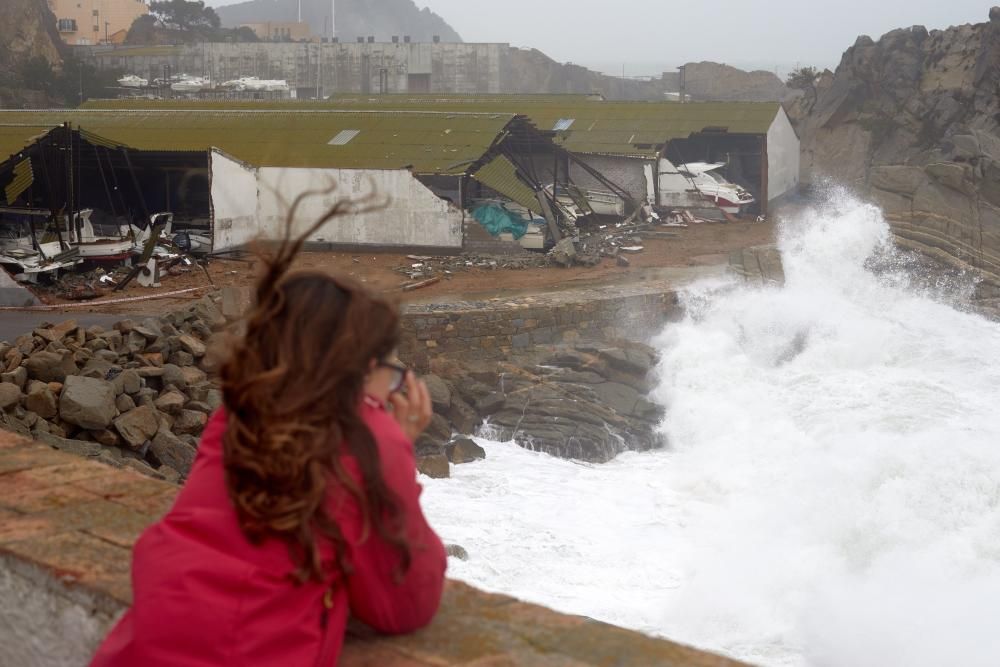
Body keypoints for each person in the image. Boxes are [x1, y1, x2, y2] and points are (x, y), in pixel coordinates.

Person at [90, 204, 447, 666]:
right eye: (390, 368)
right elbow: (402, 605)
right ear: (361, 371)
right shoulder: (369, 439)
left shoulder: (245, 412)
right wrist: (398, 450)